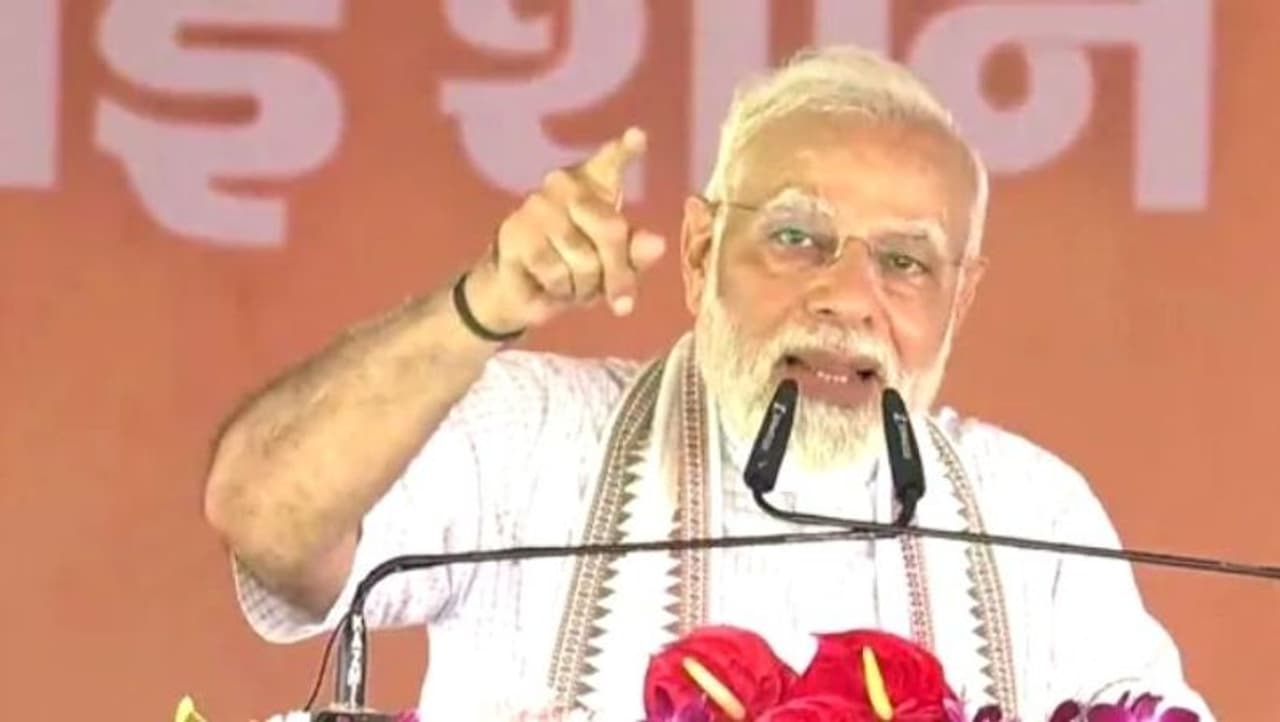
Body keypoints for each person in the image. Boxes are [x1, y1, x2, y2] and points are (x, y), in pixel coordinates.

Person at [203, 45, 1213, 721]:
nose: (847, 298)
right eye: (796, 237)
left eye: (904, 261)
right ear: (697, 251)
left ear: (961, 296)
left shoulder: (1034, 513)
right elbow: (265, 518)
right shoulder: (533, 433)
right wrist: (482, 305)